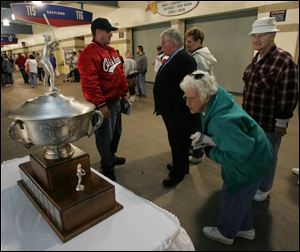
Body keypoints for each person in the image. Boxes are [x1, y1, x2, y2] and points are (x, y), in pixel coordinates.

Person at [180, 70, 273, 245]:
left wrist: (209, 149)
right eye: (185, 97)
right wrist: (212, 139)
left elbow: (239, 153)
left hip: (250, 163)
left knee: (232, 196)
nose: (187, 102)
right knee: (242, 198)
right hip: (260, 154)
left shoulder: (221, 121)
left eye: (191, 98)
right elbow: (235, 138)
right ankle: (246, 229)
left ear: (205, 97)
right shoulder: (217, 96)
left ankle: (226, 233)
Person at [242, 17, 298, 202]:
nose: (257, 39)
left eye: (263, 35)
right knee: (256, 154)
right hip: (252, 118)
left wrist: (281, 122)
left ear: (273, 35)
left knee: (269, 155)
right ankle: (255, 182)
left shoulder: (284, 60)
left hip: (269, 122)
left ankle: (265, 188)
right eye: (254, 36)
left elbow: (289, 94)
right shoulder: (257, 58)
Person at [78, 17, 128, 181]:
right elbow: (90, 83)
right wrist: (100, 104)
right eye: (108, 32)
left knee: (116, 133)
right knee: (104, 136)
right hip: (103, 103)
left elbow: (119, 73)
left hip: (116, 100)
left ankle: (111, 157)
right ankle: (107, 166)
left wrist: (125, 92)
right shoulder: (88, 54)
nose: (111, 35)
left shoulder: (111, 51)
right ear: (98, 32)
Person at [153, 28, 197, 188]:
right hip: (171, 108)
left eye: (163, 42)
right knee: (178, 140)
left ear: (172, 42)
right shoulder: (173, 57)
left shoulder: (184, 59)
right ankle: (182, 166)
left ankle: (177, 174)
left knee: (178, 141)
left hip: (178, 110)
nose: (161, 45)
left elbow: (190, 87)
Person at [185, 27, 218, 164]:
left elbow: (198, 80)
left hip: (200, 97)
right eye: (186, 41)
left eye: (190, 41)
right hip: (203, 96)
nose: (187, 44)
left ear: (199, 41)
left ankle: (198, 154)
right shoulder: (202, 54)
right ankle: (197, 150)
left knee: (196, 126)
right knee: (198, 124)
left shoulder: (199, 57)